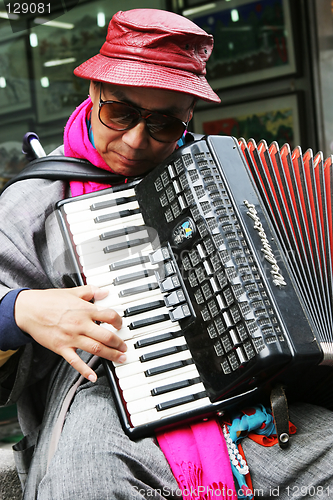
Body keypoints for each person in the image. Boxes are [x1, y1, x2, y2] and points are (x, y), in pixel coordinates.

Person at [1, 8, 333, 500]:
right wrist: (19, 309)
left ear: (188, 115)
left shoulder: (229, 180)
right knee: (86, 485)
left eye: (163, 124)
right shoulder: (36, 199)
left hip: (246, 401)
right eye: (121, 113)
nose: (136, 140)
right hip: (99, 394)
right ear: (93, 94)